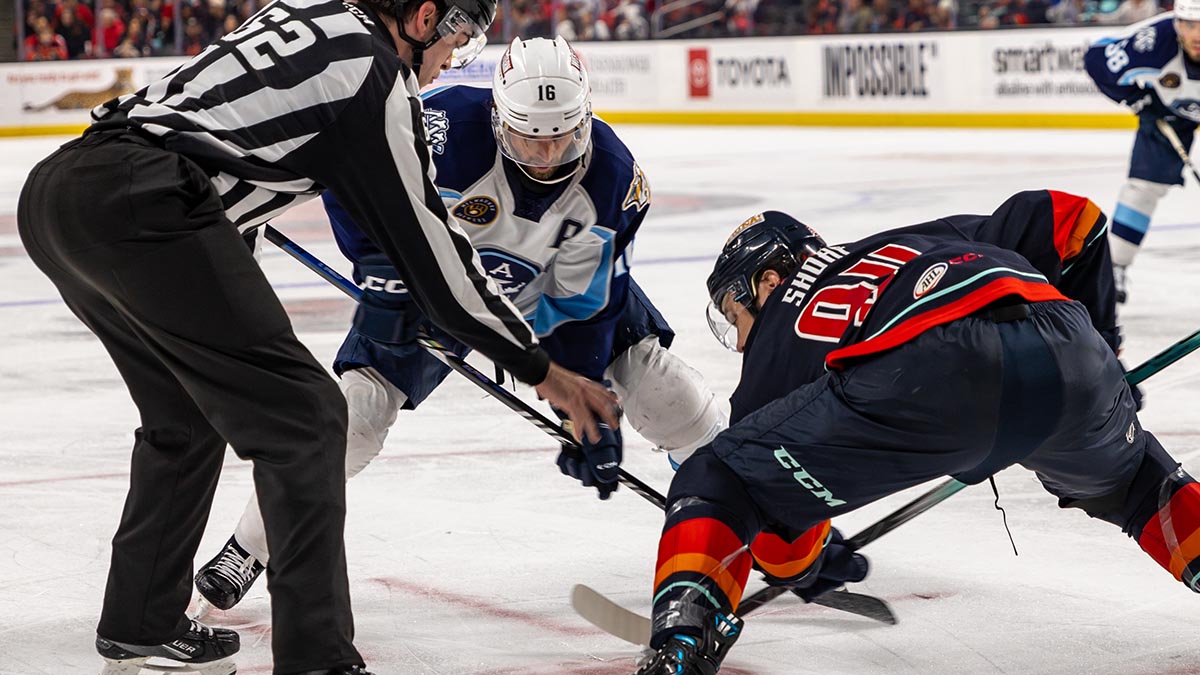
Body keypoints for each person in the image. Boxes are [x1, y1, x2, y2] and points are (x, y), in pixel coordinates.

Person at [17, 0, 621, 673]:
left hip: (64, 192)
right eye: (458, 37)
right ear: (424, 16)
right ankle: (320, 659)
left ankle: (141, 618)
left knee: (183, 418)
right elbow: (439, 266)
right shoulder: (377, 77)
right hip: (149, 203)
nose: (455, 59)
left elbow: (216, 132)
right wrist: (546, 372)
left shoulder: (309, 11)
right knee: (309, 420)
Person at [190, 35, 728, 612]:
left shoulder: (614, 180)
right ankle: (250, 547)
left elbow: (587, 304)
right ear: (499, 118)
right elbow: (348, 175)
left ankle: (737, 497)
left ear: (586, 120)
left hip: (550, 290)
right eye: (529, 137)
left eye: (561, 138)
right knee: (352, 418)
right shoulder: (441, 127)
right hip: (434, 284)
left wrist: (582, 392)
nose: (546, 156)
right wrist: (379, 265)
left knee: (665, 390)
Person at [634, 191, 1200, 674]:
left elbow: (770, 524)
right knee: (1135, 486)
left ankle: (681, 642)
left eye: (736, 316)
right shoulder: (919, 239)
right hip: (1070, 351)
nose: (738, 341)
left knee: (716, 474)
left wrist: (805, 564)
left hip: (931, 372)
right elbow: (1072, 218)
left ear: (770, 278)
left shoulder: (780, 325)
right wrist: (1102, 346)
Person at [1085, 3, 1200, 303]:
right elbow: (1097, 58)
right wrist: (1133, 97)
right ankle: (1117, 266)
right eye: (1189, 24)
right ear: (1176, 24)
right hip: (1168, 111)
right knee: (1143, 188)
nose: (1197, 34)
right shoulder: (1153, 43)